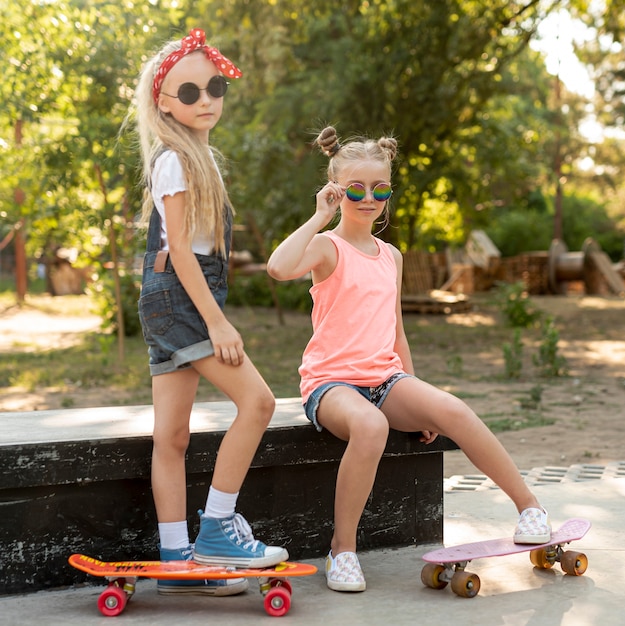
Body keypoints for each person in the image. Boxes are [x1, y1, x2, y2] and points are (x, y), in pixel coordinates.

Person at [266, 126, 551, 593]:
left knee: (454, 408)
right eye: (355, 189)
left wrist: (417, 395)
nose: (368, 198)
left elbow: (395, 329)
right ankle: (343, 549)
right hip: (331, 385)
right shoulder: (326, 247)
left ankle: (530, 508)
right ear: (337, 190)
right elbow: (278, 267)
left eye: (380, 189)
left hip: (386, 379)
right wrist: (319, 215)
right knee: (372, 427)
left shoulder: (391, 256)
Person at [131, 28, 288, 596]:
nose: (206, 100)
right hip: (182, 303)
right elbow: (178, 254)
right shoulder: (174, 160)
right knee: (259, 401)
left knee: (170, 437)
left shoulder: (199, 157)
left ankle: (177, 562)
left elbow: (191, 246)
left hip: (171, 301)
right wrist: (218, 322)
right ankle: (218, 530)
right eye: (189, 92)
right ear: (163, 102)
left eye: (214, 87)